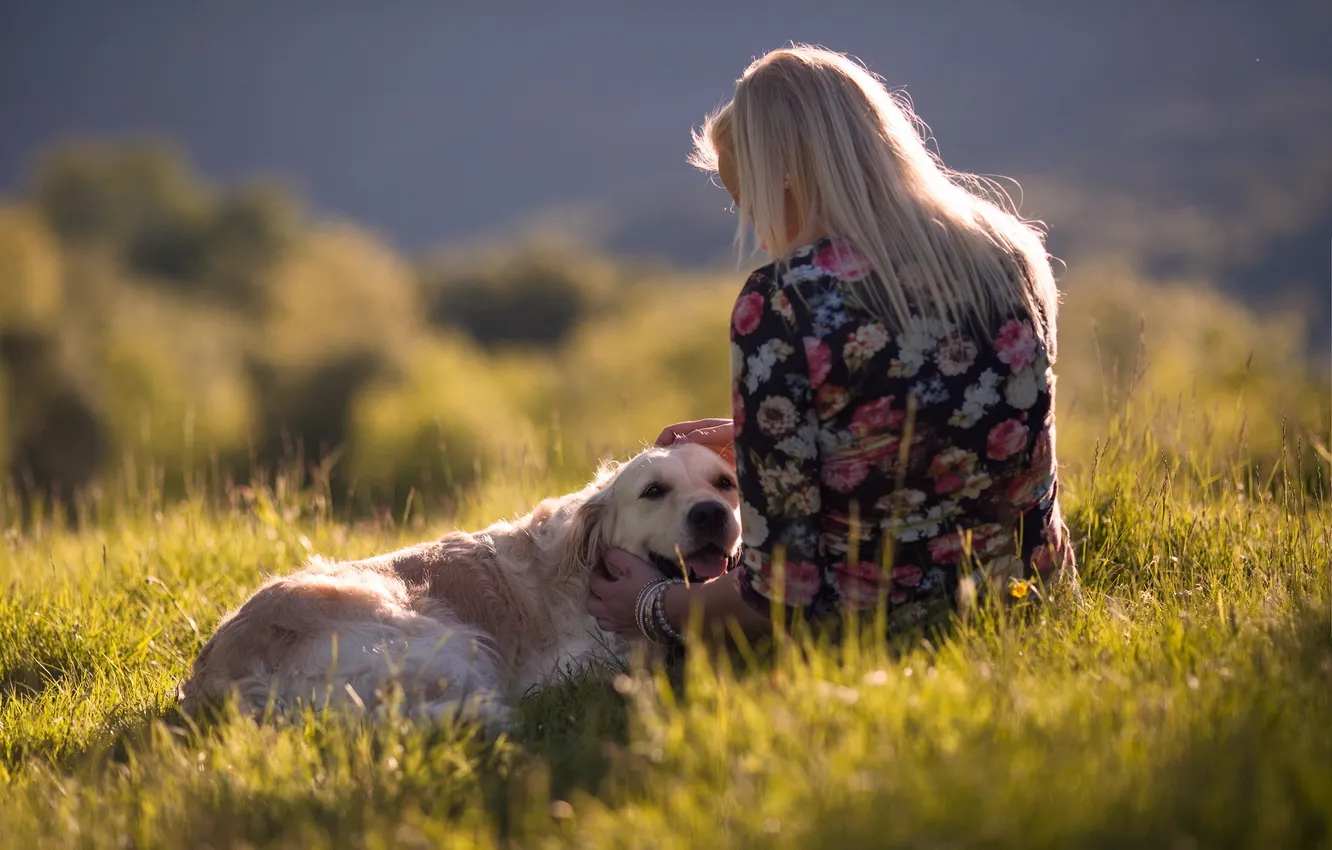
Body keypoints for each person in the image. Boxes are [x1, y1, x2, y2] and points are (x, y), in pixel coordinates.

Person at [586, 44, 1075, 646]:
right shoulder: (1009, 254)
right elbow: (967, 431)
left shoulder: (783, 300)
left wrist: (651, 605)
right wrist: (761, 445)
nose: (764, 237)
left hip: (878, 633)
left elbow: (777, 596)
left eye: (752, 203)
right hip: (1030, 603)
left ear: (786, 174)